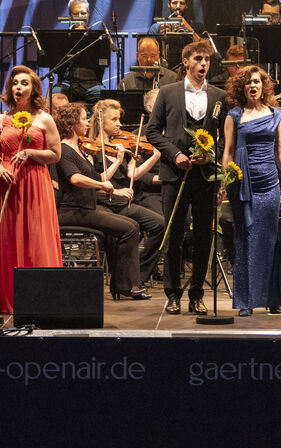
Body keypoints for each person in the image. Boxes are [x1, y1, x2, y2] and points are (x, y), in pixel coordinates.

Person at [144, 38, 227, 315]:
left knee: (204, 236)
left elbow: (225, 138)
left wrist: (211, 155)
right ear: (186, 62)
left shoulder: (218, 96)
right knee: (174, 235)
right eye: (198, 59)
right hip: (175, 174)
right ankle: (173, 294)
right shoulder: (167, 92)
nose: (203, 64)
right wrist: (174, 155)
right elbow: (152, 131)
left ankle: (196, 294)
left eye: (207, 60)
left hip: (204, 175)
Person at [222, 65, 281, 316]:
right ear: (242, 88)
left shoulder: (276, 114)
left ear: (263, 86)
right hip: (243, 184)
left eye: (256, 82)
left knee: (270, 241)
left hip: (269, 184)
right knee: (245, 241)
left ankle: (272, 297)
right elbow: (228, 152)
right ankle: (245, 300)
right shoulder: (233, 115)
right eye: (248, 83)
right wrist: (225, 182)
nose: (253, 86)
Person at [54, 103, 148, 301]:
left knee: (130, 225)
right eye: (83, 119)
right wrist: (103, 184)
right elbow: (75, 179)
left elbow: (99, 178)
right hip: (72, 211)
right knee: (129, 228)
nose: (88, 122)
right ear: (72, 123)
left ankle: (122, 284)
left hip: (86, 209)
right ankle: (127, 285)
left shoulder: (79, 150)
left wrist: (116, 165)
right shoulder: (64, 150)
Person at [0, 65, 62, 314]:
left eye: (24, 84)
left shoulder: (44, 118)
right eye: (15, 84)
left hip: (35, 182)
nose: (18, 87)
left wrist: (30, 152)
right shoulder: (1, 119)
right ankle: (9, 296)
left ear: (33, 89)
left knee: (36, 238)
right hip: (8, 182)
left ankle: (40, 297)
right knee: (9, 237)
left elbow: (55, 154)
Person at [87, 98, 163, 270]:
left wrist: (154, 157)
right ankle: (123, 273)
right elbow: (95, 182)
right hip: (102, 203)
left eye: (119, 119)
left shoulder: (119, 145)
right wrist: (116, 190)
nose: (119, 124)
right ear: (100, 121)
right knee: (123, 228)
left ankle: (140, 271)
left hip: (122, 203)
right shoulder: (90, 148)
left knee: (160, 224)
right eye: (114, 119)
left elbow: (132, 174)